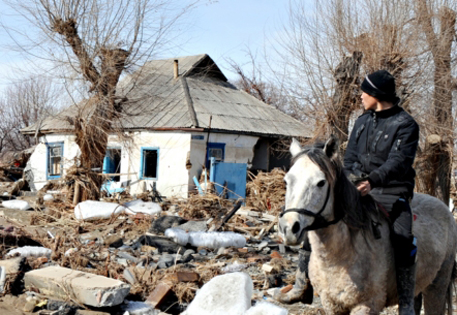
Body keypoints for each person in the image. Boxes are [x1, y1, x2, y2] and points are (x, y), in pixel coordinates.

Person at [344, 70, 419, 315]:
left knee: (403, 236)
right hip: (358, 185)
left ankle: (406, 302)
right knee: (321, 216)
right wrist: (349, 181)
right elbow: (350, 157)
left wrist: (372, 182)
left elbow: (399, 161)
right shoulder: (362, 121)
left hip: (391, 188)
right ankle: (304, 282)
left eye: (364, 91)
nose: (361, 96)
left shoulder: (406, 124)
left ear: (376, 94)